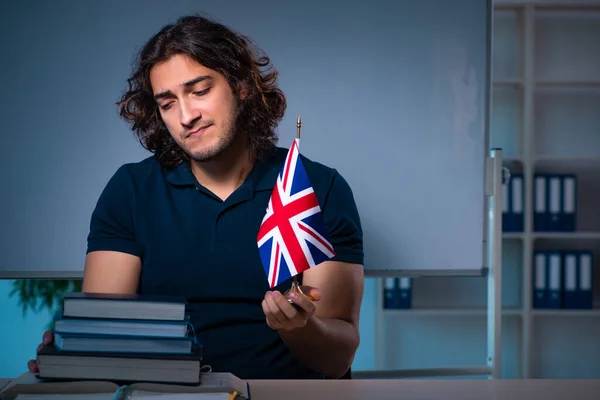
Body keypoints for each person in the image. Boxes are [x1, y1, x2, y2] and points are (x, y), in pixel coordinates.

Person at [27, 14, 364, 380]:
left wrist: (298, 327)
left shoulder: (315, 185)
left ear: (242, 86)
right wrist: (75, 354)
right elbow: (108, 334)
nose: (186, 116)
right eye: (168, 103)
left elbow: (337, 359)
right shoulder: (131, 190)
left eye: (200, 90)